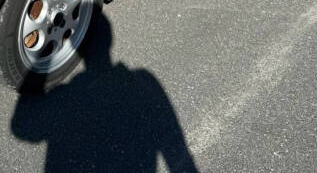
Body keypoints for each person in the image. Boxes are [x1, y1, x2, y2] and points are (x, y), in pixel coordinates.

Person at [11, 12, 199, 172]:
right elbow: (175, 144)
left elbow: (22, 129)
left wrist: (43, 54)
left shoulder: (138, 80)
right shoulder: (143, 79)